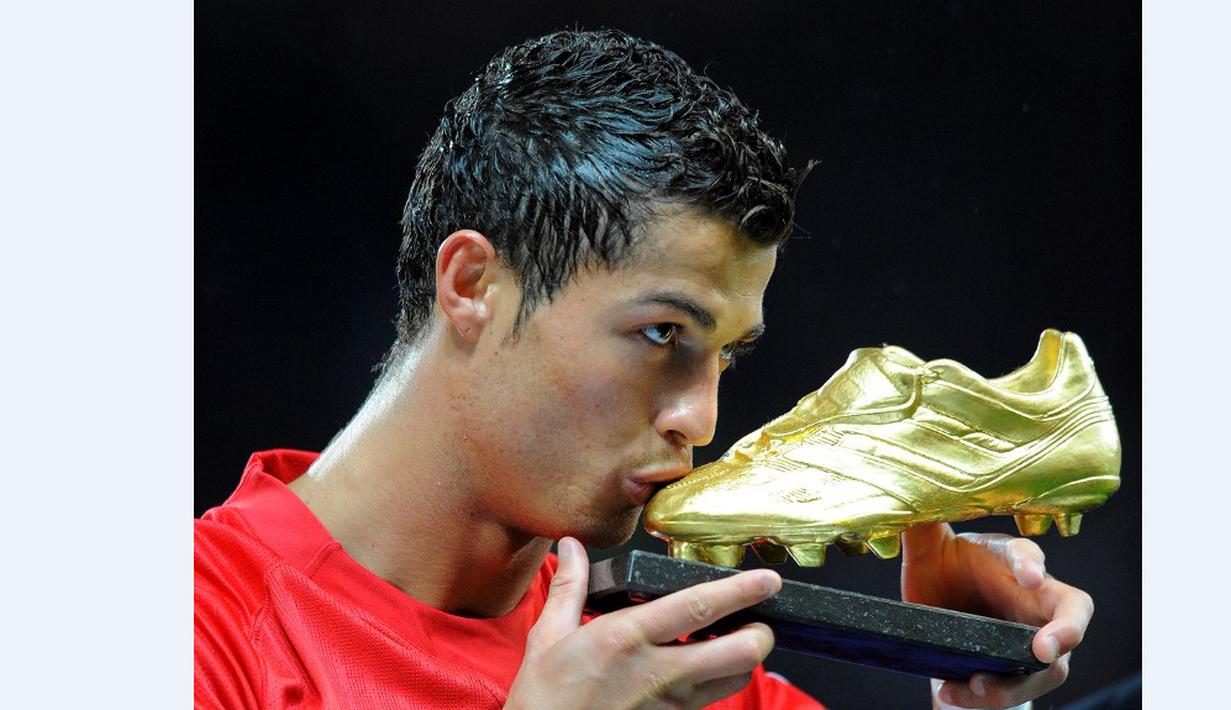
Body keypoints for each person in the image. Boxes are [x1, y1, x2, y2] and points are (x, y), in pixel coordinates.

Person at [194, 29, 1091, 709]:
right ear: (473, 285)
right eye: (663, 334)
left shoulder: (671, 667)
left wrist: (967, 684)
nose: (699, 421)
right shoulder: (200, 628)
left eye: (727, 355)